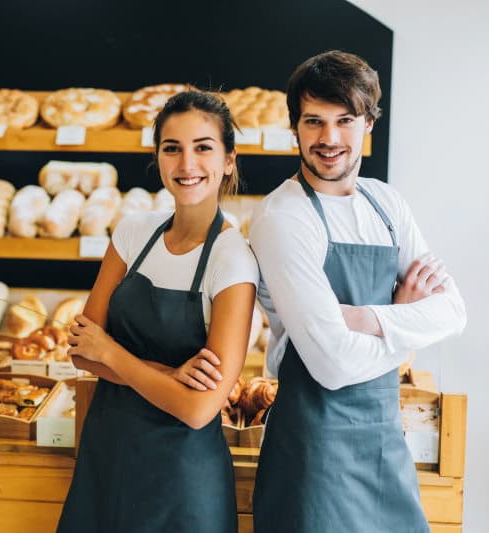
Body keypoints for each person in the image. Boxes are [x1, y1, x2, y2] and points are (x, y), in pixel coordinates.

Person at [248, 50, 468, 532]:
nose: (329, 138)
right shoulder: (282, 218)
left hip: (386, 443)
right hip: (313, 454)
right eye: (314, 121)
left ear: (368, 123)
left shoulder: (386, 204)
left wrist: (369, 317)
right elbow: (332, 365)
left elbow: (453, 311)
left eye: (345, 120)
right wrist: (405, 317)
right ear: (295, 128)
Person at [56, 90, 259, 533]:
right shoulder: (133, 233)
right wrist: (167, 375)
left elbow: (199, 409)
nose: (187, 165)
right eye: (172, 149)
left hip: (183, 481)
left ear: (228, 159)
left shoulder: (232, 261)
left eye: (203, 147)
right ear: (158, 158)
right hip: (107, 459)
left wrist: (112, 354)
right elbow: (80, 351)